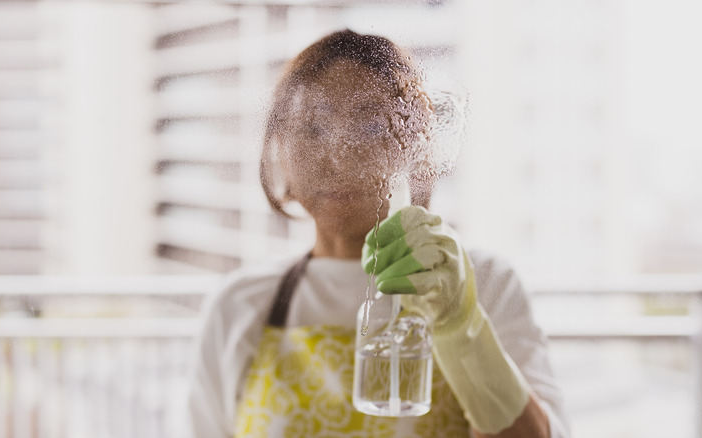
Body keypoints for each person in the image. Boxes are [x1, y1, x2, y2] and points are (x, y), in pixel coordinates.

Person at [186, 29, 570, 438]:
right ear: (279, 149)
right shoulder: (238, 305)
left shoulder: (486, 284)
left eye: (371, 128)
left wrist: (462, 327)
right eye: (313, 128)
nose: (340, 155)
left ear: (415, 146)